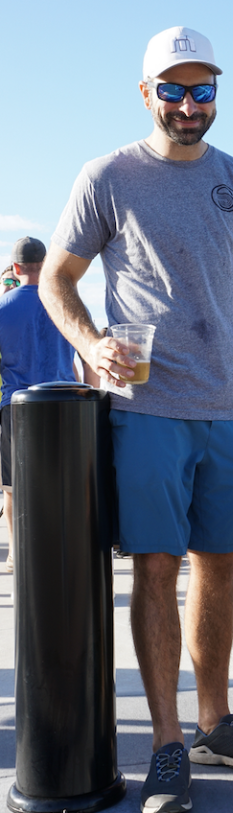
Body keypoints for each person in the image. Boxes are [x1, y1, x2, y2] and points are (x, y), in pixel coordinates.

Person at [39, 26, 233, 813]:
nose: (189, 105)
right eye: (173, 90)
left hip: (230, 409)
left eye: (202, 90)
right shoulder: (107, 176)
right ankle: (165, 745)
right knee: (156, 567)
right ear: (146, 92)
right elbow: (59, 279)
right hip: (147, 409)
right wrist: (90, 342)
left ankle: (213, 722)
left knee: (219, 567)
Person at [0, 237, 76, 573]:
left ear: (15, 268)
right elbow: (83, 359)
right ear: (46, 265)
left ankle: (18, 557)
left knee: (14, 488)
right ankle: (64, 553)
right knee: (63, 484)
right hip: (65, 403)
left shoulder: (4, 308)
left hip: (17, 404)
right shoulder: (66, 303)